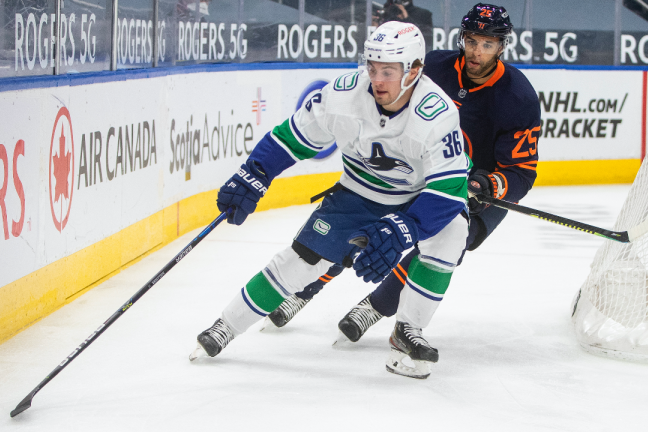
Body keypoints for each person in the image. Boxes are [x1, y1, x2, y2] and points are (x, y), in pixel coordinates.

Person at [190, 21, 471, 379]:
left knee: (453, 232)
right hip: (358, 193)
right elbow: (291, 137)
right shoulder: (342, 95)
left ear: (414, 71)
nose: (377, 80)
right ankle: (226, 325)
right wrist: (256, 172)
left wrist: (407, 228)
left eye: (388, 71)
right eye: (372, 68)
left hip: (416, 199)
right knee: (302, 263)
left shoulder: (437, 112)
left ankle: (408, 329)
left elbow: (448, 189)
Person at [265, 3, 541, 344]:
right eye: (472, 41)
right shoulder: (432, 67)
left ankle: (376, 307)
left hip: (477, 187)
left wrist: (486, 183)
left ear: (501, 46)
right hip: (421, 170)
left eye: (487, 45)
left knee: (447, 242)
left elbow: (522, 172)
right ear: (463, 39)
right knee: (361, 223)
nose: (476, 52)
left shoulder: (518, 97)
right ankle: (302, 292)